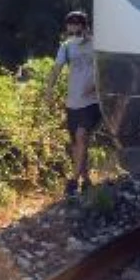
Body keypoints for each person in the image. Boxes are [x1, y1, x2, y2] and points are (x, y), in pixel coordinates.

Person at [44, 10, 100, 197]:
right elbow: (57, 69)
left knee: (82, 136)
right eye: (70, 24)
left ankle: (73, 181)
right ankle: (86, 179)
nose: (73, 27)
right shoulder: (66, 47)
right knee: (77, 143)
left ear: (84, 26)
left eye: (77, 24)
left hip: (91, 101)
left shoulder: (96, 44)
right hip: (73, 101)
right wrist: (49, 90)